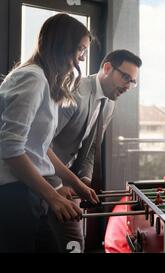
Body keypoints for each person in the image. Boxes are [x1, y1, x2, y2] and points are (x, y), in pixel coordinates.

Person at [0, 13, 99, 252]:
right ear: (62, 45)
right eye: (80, 50)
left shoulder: (44, 80)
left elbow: (42, 148)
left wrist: (76, 183)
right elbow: (10, 149)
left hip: (29, 189)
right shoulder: (32, 78)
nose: (82, 58)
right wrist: (53, 196)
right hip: (15, 194)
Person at [51, 49, 142, 252]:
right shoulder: (76, 91)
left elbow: (91, 147)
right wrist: (57, 185)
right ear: (107, 68)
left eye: (132, 81)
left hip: (66, 185)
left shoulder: (109, 102)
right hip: (40, 181)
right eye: (125, 77)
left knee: (73, 243)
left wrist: (84, 180)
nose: (128, 86)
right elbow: (40, 144)